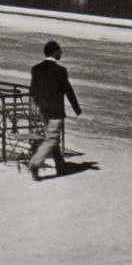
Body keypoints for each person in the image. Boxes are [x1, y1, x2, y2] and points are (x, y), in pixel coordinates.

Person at [26, 40, 82, 180]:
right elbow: (68, 90)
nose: (61, 53)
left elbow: (33, 90)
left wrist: (39, 104)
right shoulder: (60, 71)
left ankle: (60, 166)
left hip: (44, 110)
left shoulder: (36, 68)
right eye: (60, 51)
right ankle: (35, 163)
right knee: (52, 139)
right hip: (56, 111)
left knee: (52, 138)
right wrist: (77, 108)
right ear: (55, 52)